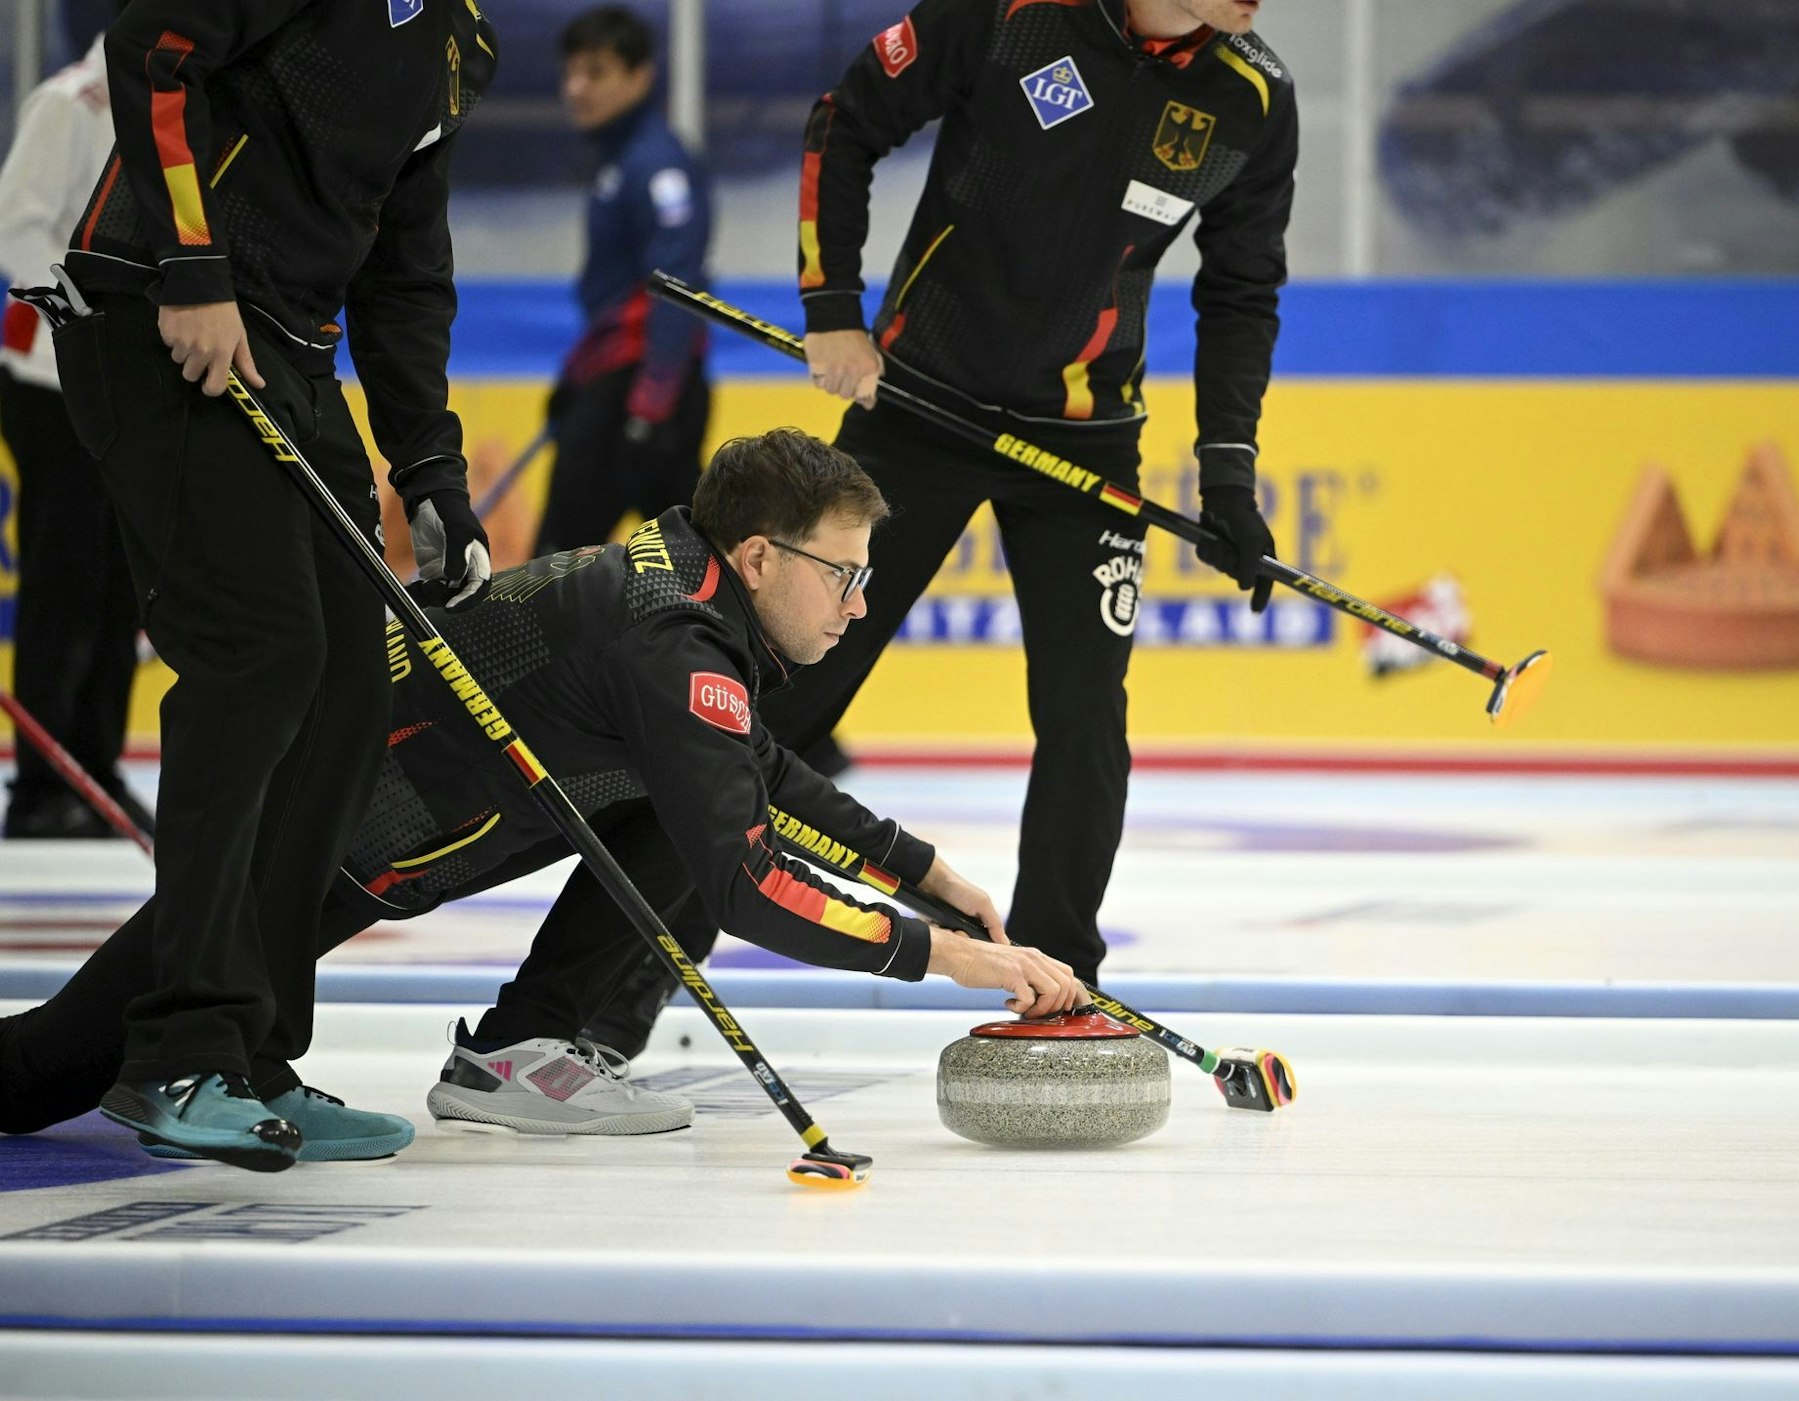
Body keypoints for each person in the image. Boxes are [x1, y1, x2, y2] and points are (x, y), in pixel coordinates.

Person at [0, 429, 1086, 1148]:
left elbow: (746, 765)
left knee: (692, 801)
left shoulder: (686, 594)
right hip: (320, 837)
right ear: (760, 558)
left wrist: (924, 872)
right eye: (843, 575)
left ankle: (526, 1043)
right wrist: (957, 959)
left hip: (363, 826)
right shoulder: (675, 646)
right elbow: (748, 885)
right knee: (45, 1069)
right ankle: (516, 1047)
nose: (858, 604)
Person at [20, 0, 499, 1172]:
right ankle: (179, 1051)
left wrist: (429, 468)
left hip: (290, 349)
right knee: (263, 656)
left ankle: (252, 1052)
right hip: (159, 317)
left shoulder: (460, 43)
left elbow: (406, 265)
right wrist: (190, 267)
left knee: (348, 694)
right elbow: (152, 49)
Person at [761, 0, 1297, 988]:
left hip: (1084, 443)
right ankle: (604, 986)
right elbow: (846, 119)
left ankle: (1057, 983)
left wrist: (1227, 470)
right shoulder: (1011, 12)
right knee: (786, 693)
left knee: (1086, 721)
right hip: (918, 411)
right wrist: (831, 307)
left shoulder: (1253, 96)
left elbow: (1242, 288)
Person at [0, 19, 151, 840]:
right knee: (65, 578)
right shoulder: (69, 103)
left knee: (123, 579)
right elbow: (17, 228)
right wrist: (83, 317)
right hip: (51, 378)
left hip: (130, 383)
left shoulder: (166, 108)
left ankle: (95, 766)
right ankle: (40, 781)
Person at [535, 4, 713, 555]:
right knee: (695, 564)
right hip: (624, 383)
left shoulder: (656, 165)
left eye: (596, 72)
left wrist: (651, 404)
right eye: (570, 72)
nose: (576, 87)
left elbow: (675, 289)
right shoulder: (620, 160)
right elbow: (618, 300)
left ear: (640, 76)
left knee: (554, 569)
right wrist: (577, 376)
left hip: (638, 389)